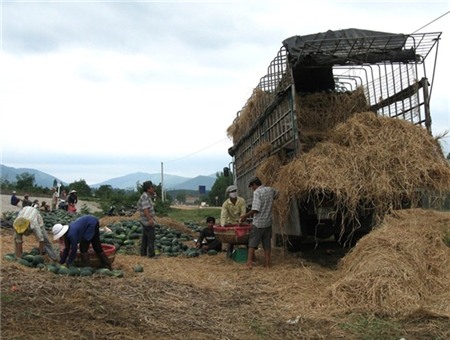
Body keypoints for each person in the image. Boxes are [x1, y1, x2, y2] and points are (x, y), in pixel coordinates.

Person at [240, 177, 278, 269]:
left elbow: (255, 209)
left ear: (254, 184)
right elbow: (277, 195)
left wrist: (245, 216)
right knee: (267, 244)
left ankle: (249, 263)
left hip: (258, 223)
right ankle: (267, 264)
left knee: (252, 243)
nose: (252, 189)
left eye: (252, 187)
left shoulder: (257, 192)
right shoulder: (270, 190)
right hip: (268, 222)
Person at [220, 185, 246, 257]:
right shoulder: (225, 204)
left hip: (240, 223)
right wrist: (223, 225)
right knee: (230, 240)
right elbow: (223, 215)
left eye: (235, 191)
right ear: (229, 193)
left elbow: (243, 213)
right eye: (232, 192)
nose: (234, 193)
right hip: (230, 223)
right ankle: (229, 255)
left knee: (245, 239)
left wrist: (240, 222)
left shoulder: (242, 201)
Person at [137, 180, 157, 258]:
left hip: (144, 221)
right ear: (148, 189)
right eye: (152, 187)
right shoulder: (145, 197)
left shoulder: (146, 196)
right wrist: (150, 219)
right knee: (151, 237)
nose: (153, 189)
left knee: (145, 237)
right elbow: (146, 209)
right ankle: (151, 255)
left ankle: (143, 253)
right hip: (147, 221)